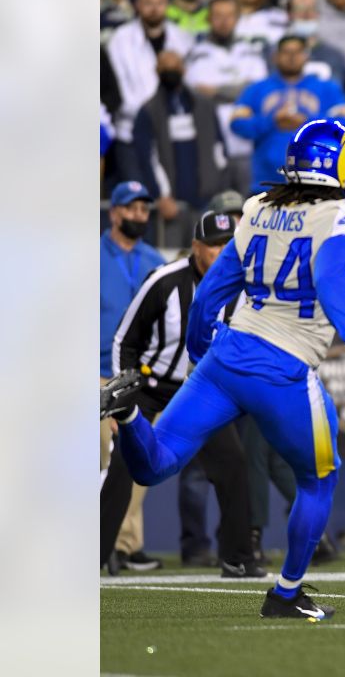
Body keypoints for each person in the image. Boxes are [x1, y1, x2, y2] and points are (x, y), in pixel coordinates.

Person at [101, 120, 345, 620]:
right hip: (285, 370)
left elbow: (213, 288)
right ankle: (286, 593)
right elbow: (331, 280)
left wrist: (199, 349)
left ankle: (127, 418)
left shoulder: (257, 208)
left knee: (156, 462)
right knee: (319, 479)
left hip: (227, 357)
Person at [110, 212, 264, 577]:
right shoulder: (164, 281)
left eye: (229, 245)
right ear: (196, 247)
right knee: (120, 469)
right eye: (214, 245)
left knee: (233, 465)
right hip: (149, 388)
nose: (222, 252)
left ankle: (238, 558)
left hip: (198, 393)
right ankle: (97, 554)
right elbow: (124, 339)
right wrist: (123, 397)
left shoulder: (242, 289)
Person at [100, 182, 167, 574]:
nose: (139, 216)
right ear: (115, 213)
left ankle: (123, 545)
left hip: (139, 375)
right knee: (101, 452)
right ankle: (102, 540)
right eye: (132, 209)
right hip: (94, 369)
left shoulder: (155, 260)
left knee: (142, 454)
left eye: (144, 210)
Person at [131, 50, 231, 247]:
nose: (170, 71)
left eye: (175, 66)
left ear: (184, 69)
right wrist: (160, 196)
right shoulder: (148, 111)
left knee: (208, 255)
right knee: (173, 256)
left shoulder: (204, 105)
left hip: (206, 200)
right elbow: (146, 158)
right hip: (172, 205)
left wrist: (217, 188)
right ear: (157, 71)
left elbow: (220, 150)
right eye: (165, 67)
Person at [231, 35, 345, 192]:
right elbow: (237, 124)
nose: (291, 58)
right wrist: (272, 121)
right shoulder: (257, 89)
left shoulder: (327, 88)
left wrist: (308, 122)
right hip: (267, 182)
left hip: (316, 179)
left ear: (306, 56)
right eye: (286, 52)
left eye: (297, 52)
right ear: (275, 57)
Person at [185, 0, 270, 196]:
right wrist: (240, 89)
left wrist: (216, 91)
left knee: (251, 208)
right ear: (209, 19)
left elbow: (258, 92)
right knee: (217, 209)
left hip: (247, 146)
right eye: (218, 16)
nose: (224, 21)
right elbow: (197, 92)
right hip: (211, 145)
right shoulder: (197, 53)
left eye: (229, 16)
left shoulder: (251, 52)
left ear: (237, 19)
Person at [106, 0, 196, 143]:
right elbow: (119, 86)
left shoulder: (183, 38)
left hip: (174, 130)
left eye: (160, 3)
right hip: (130, 130)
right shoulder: (120, 39)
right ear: (138, 5)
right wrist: (150, 113)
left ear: (167, 5)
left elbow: (189, 83)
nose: (154, 9)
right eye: (148, 3)